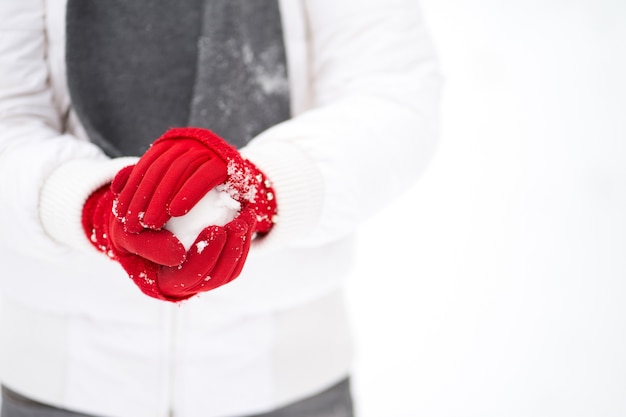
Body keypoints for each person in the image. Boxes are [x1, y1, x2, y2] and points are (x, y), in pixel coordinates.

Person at [0, 0, 441, 416]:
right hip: (56, 385)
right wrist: (86, 206)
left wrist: (265, 189)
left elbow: (391, 93)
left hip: (289, 384)